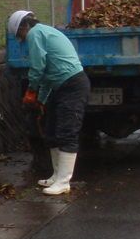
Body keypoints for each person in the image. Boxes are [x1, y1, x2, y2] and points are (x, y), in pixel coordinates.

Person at [7, 10, 89, 196]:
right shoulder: (44, 32)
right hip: (60, 86)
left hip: (73, 85)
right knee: (51, 131)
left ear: (23, 27)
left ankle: (63, 182)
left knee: (67, 132)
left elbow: (38, 68)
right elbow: (46, 76)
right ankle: (56, 176)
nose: (21, 39)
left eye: (19, 35)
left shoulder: (36, 34)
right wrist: (41, 101)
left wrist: (31, 91)